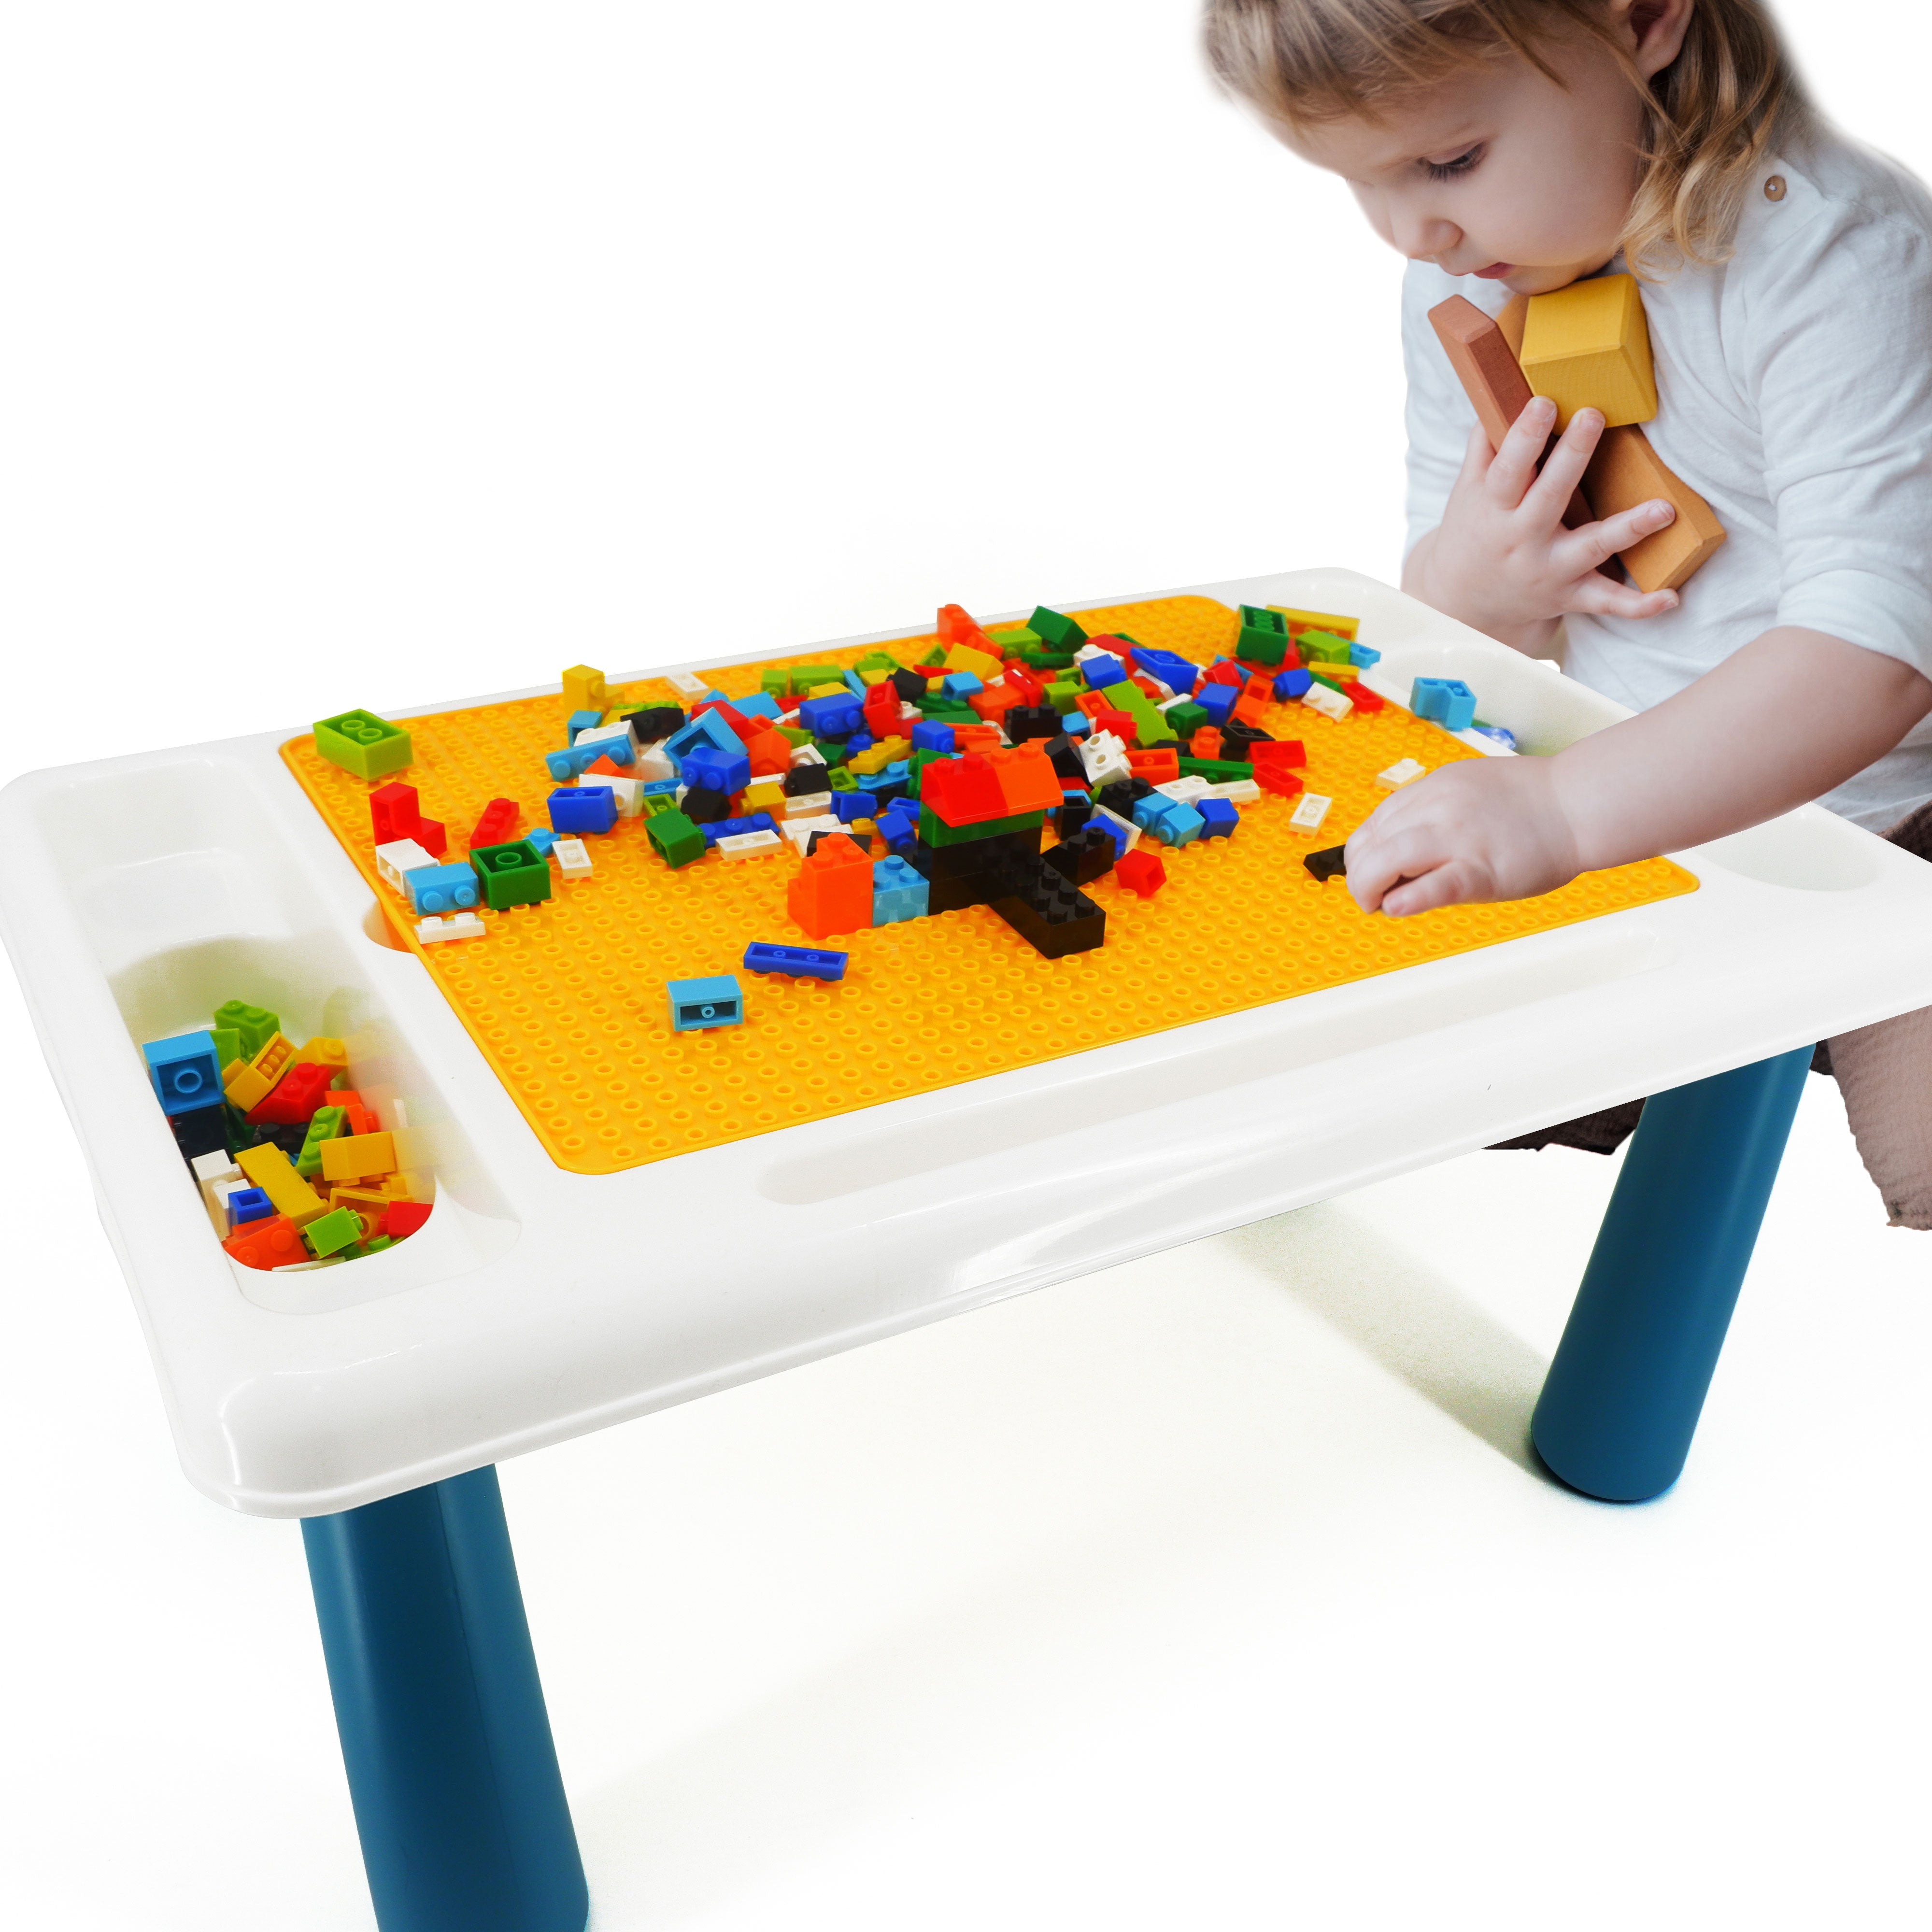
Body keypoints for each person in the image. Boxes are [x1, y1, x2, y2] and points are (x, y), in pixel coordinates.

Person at [1203, 0, 1932, 1218]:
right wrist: (1473, 589)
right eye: (1360, 181)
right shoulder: (1465, 278)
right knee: (1325, 1046)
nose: (1410, 233)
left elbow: (1874, 653)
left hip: (1892, 823)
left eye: (1449, 161)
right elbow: (1448, 633)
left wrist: (1559, 810)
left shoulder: (1835, 257)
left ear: (1640, 19)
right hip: (1623, 801)